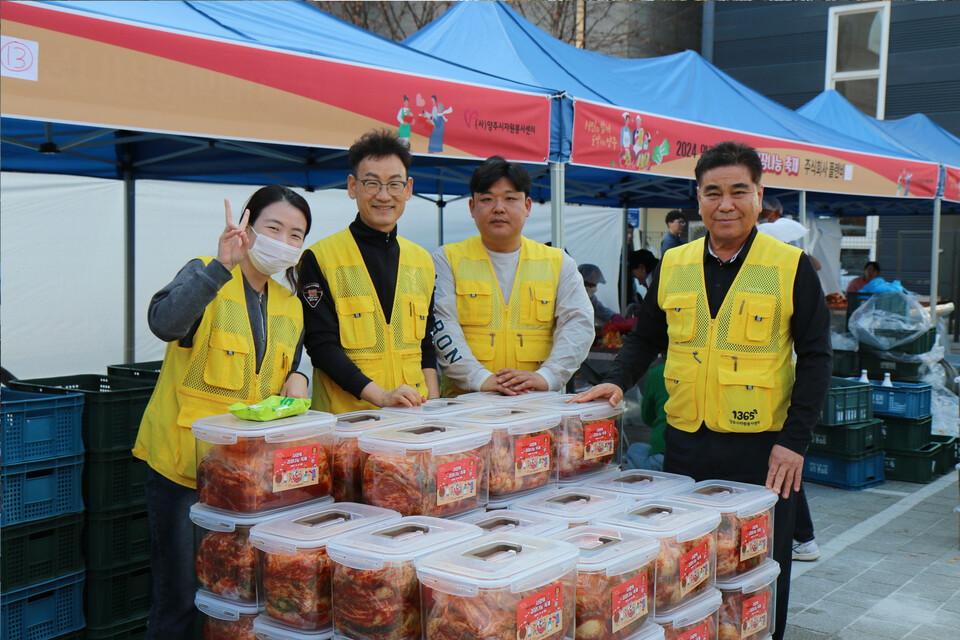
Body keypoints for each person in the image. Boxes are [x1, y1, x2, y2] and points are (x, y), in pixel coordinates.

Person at [574, 141, 832, 640]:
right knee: (687, 566)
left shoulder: (790, 266)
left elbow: (818, 358)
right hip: (686, 440)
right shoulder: (676, 264)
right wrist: (615, 379)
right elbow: (647, 336)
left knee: (756, 568)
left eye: (739, 191)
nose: (726, 204)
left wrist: (795, 442)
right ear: (698, 199)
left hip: (762, 447)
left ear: (760, 195)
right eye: (713, 193)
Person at [133, 185, 312, 639]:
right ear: (247, 227)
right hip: (184, 470)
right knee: (178, 597)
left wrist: (300, 379)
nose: (284, 241)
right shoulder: (208, 274)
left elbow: (285, 364)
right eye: (274, 228)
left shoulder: (290, 303)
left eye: (296, 234)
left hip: (246, 475)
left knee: (237, 591)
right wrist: (220, 266)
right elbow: (164, 322)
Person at [298, 129, 439, 414]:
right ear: (353, 186)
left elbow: (427, 343)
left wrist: (434, 405)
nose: (384, 195)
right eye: (372, 183)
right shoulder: (320, 257)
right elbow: (321, 346)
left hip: (414, 415)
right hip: (349, 421)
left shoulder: (422, 260)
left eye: (394, 185)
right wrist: (382, 396)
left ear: (408, 189)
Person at [431, 156, 594, 395]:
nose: (498, 208)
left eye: (510, 198)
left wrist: (547, 376)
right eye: (487, 199)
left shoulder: (559, 263)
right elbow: (441, 325)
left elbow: (578, 323)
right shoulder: (447, 260)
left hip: (535, 405)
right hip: (466, 408)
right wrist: (479, 378)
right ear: (472, 208)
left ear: (527, 206)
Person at [624, 362, 667, 471]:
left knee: (634, 449)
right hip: (708, 459)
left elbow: (647, 418)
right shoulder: (714, 371)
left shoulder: (658, 373)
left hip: (666, 458)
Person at [578, 263, 618, 327]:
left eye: (596, 284)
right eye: (591, 284)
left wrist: (614, 316)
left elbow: (600, 310)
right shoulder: (569, 296)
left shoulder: (590, 299)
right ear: (582, 281)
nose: (594, 288)